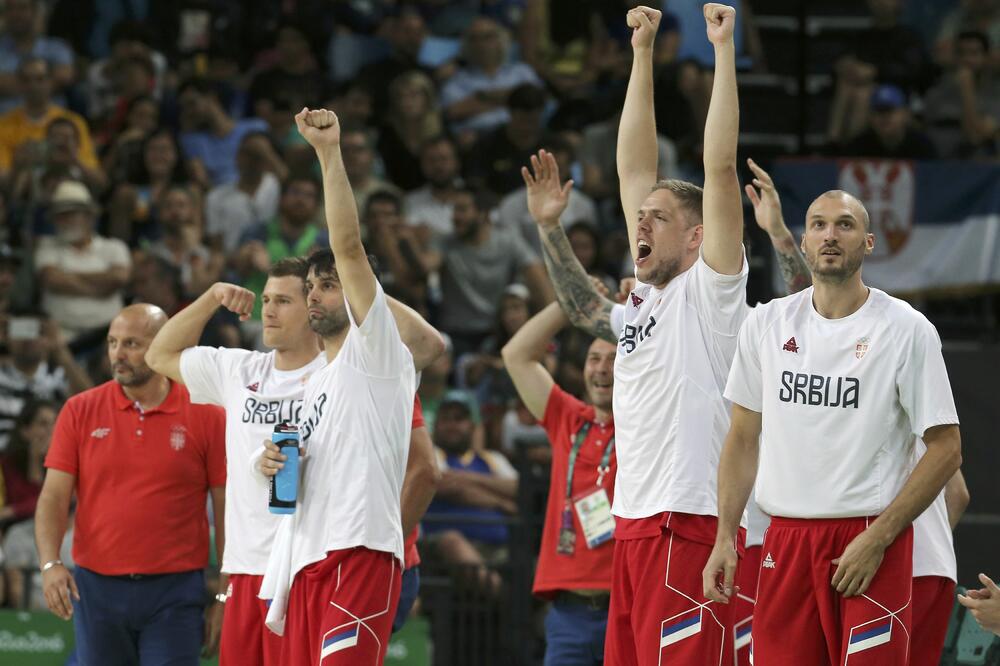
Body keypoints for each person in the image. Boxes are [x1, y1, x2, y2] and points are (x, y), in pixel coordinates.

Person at [522, 4, 748, 663]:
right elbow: (631, 170)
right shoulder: (642, 302)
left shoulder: (712, 291)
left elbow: (721, 168)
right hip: (635, 521)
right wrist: (640, 53)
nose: (639, 224)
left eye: (658, 218)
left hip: (690, 518)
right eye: (638, 218)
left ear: (698, 236)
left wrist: (723, 51)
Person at [701, 173, 963, 666]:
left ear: (868, 242)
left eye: (844, 225)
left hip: (869, 538)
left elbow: (947, 449)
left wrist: (880, 537)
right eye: (818, 225)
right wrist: (725, 537)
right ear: (804, 242)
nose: (829, 235)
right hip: (785, 539)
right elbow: (741, 439)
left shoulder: (907, 329)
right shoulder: (766, 324)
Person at [146, 256, 440, 665]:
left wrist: (358, 284)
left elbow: (423, 467)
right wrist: (212, 296)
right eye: (266, 299)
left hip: (319, 561)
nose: (268, 310)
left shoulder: (356, 367)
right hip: (250, 569)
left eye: (284, 301)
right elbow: (159, 354)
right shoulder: (240, 370)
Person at [256, 107, 444, 665]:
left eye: (329, 284)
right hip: (305, 558)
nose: (314, 294)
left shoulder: (377, 351)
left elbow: (348, 244)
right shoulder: (316, 382)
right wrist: (272, 463)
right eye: (310, 286)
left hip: (360, 550)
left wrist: (328, 152)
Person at [35, 304, 228, 663]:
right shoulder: (79, 410)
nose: (118, 354)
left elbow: (227, 509)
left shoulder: (207, 413)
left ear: (163, 345)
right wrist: (50, 564)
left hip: (175, 590)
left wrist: (224, 596)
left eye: (132, 344)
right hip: (96, 587)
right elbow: (53, 498)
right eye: (112, 342)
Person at [502, 301, 617, 666]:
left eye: (614, 358)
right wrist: (570, 302)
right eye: (594, 359)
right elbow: (516, 355)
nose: (602, 368)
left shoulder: (648, 425)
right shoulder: (569, 418)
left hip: (627, 608)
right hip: (569, 614)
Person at [35, 180, 131, 343]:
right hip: (62, 336)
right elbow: (51, 279)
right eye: (61, 216)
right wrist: (100, 288)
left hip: (109, 337)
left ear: (89, 217)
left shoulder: (114, 247)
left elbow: (118, 278)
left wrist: (67, 275)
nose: (66, 220)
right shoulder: (46, 247)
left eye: (72, 213)